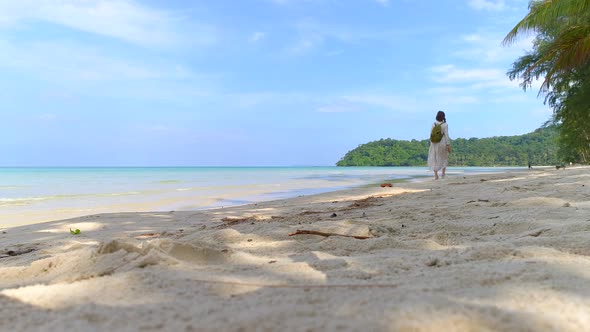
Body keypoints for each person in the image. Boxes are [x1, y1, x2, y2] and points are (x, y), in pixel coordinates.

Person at [427, 111, 451, 180]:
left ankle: (436, 175)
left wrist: (431, 143)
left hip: (434, 143)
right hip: (442, 143)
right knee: (444, 158)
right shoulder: (445, 125)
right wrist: (448, 145)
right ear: (443, 116)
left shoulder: (433, 124)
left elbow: (431, 135)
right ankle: (443, 174)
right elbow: (446, 135)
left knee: (435, 158)